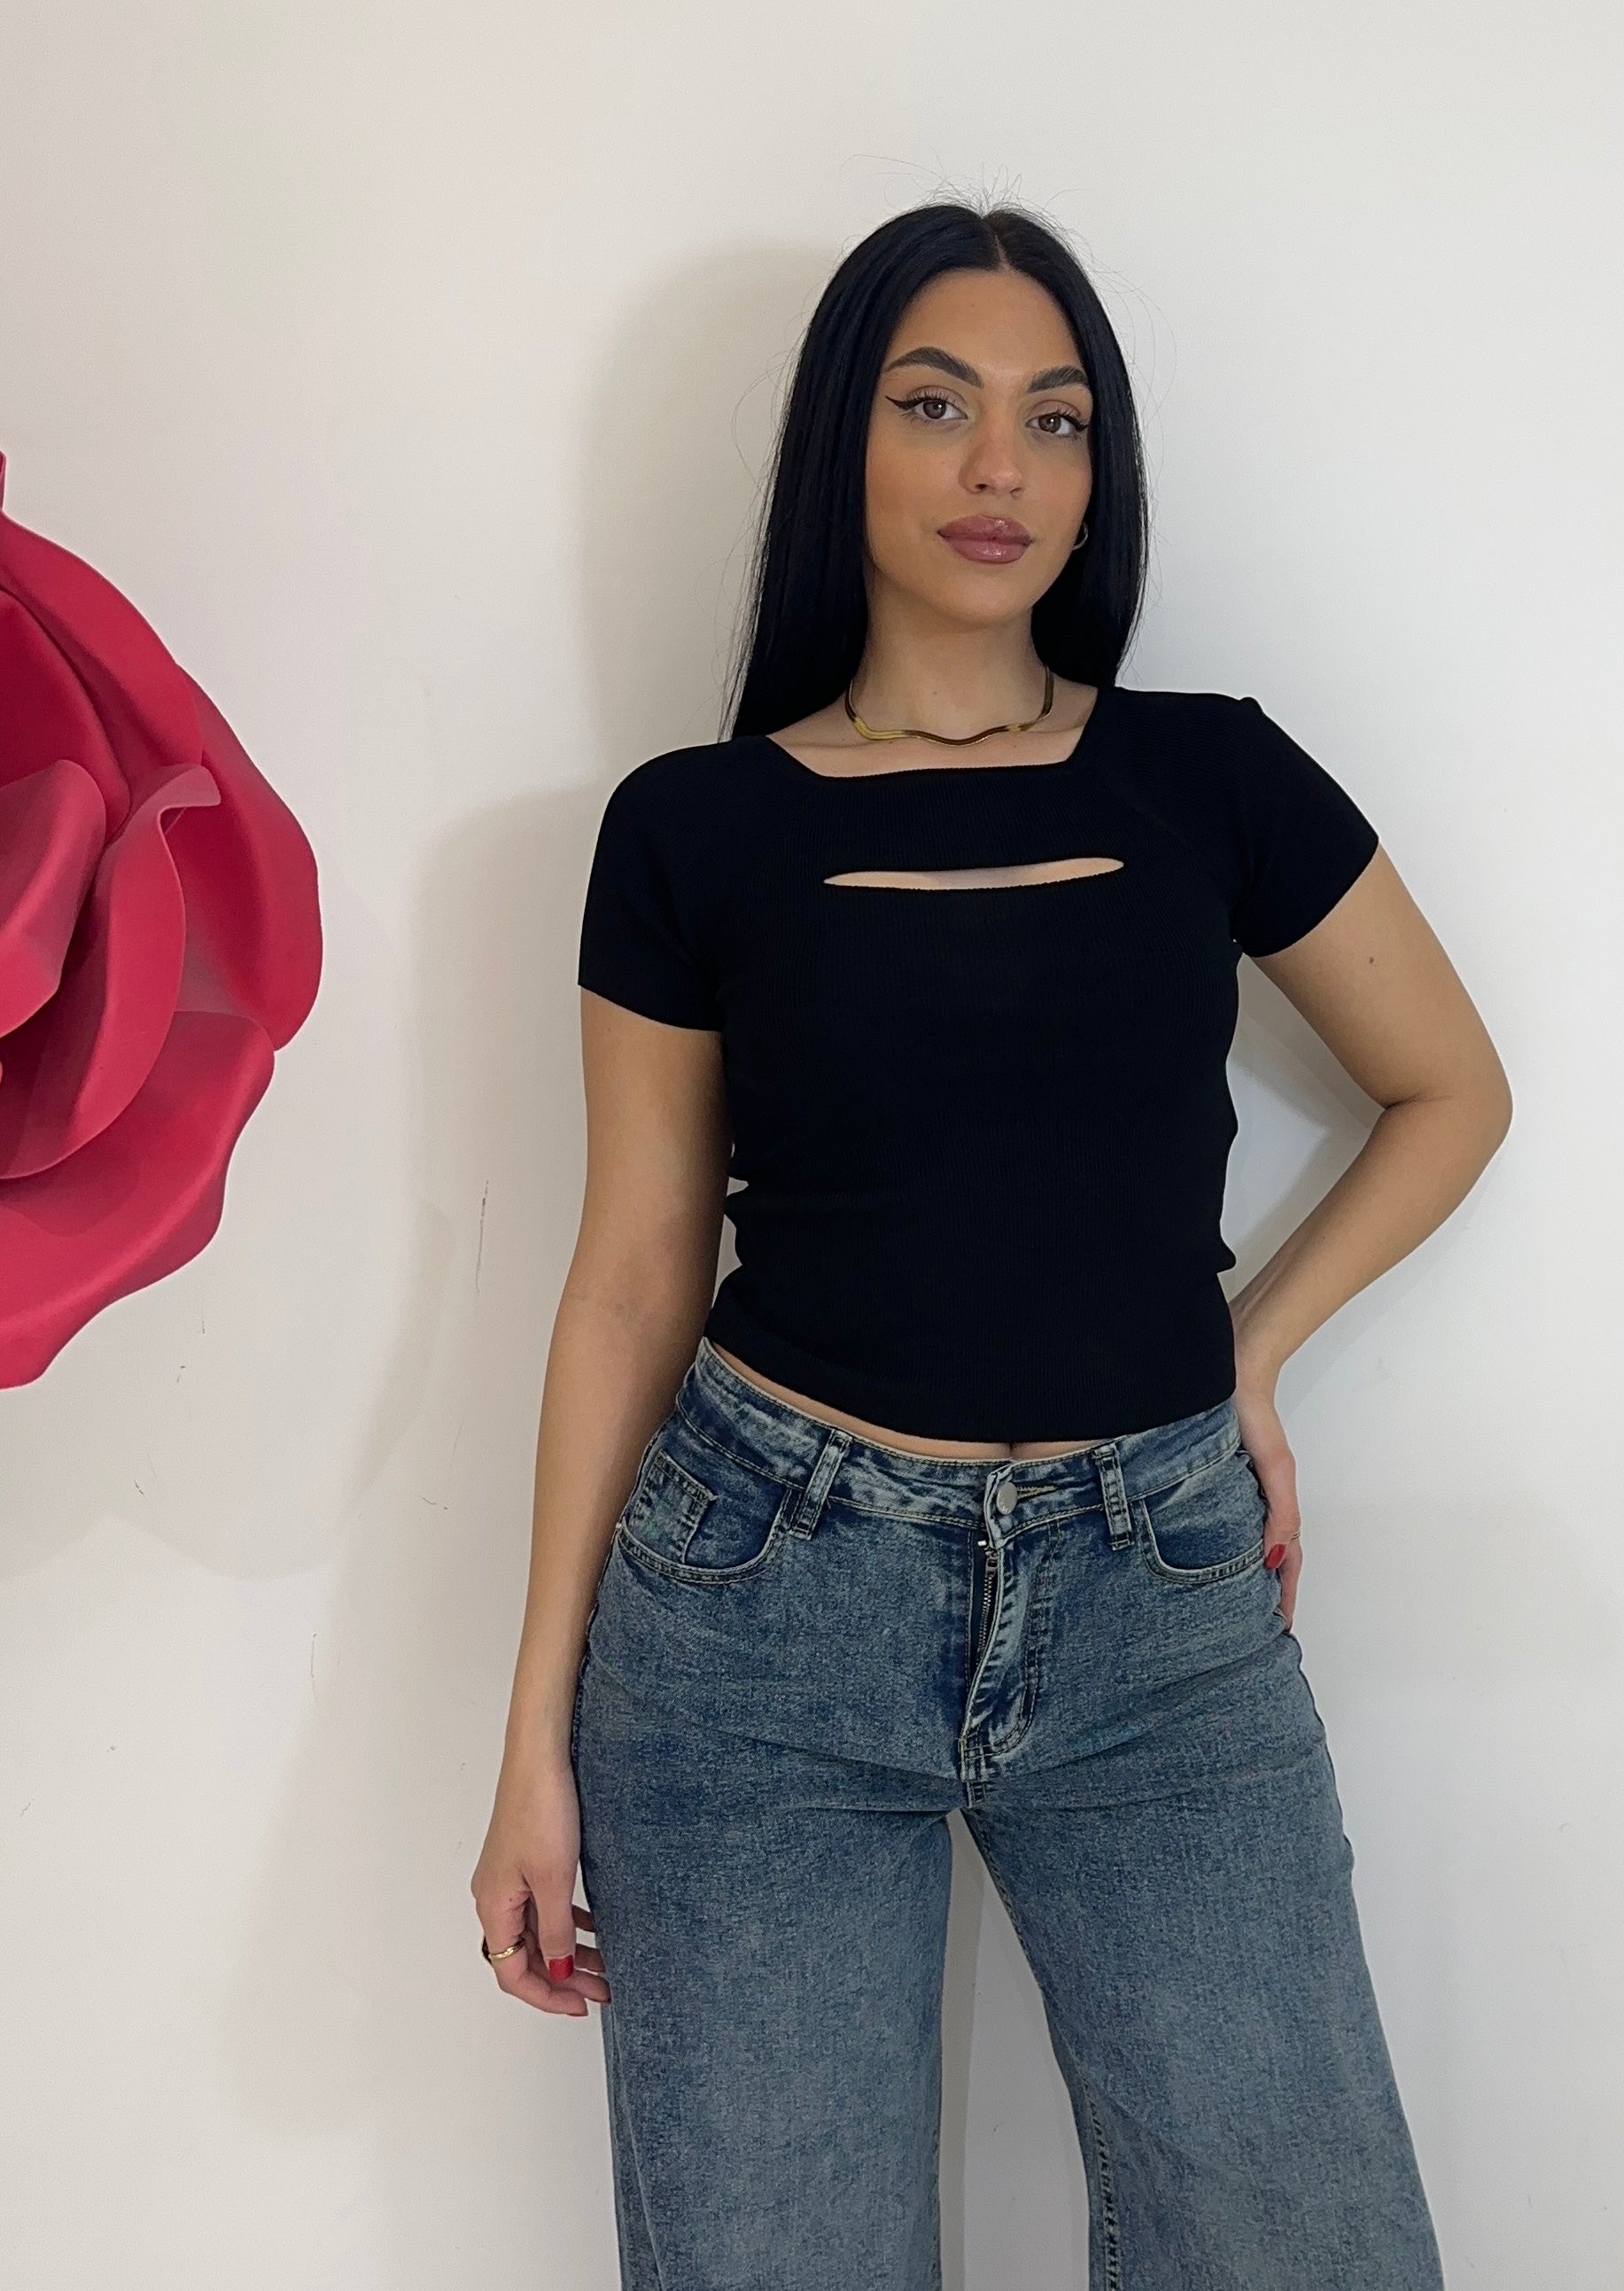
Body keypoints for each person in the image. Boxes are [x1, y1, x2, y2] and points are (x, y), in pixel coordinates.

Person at [471, 200, 1511, 2289]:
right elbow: (633, 1274)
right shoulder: (693, 827)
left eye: (1056, 417)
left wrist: (1251, 1350)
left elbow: (1452, 1091)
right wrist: (531, 1744)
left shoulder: (1211, 774)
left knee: (1302, 2243)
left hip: (1161, 1605)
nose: (1000, 466)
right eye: (936, 405)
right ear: (841, 444)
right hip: (757, 1612)